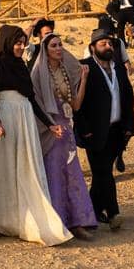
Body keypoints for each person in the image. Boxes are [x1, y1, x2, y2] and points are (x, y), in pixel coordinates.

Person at [0, 24, 72, 246]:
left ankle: (24, 219)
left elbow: (31, 99)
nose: (21, 47)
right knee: (4, 167)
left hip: (24, 116)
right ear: (7, 43)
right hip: (6, 117)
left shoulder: (21, 65)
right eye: (17, 43)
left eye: (23, 43)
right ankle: (0, 218)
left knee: (26, 167)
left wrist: (49, 124)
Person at [28, 33, 97, 239]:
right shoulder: (38, 73)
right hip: (51, 130)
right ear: (45, 49)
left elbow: (75, 104)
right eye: (54, 46)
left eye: (60, 45)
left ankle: (78, 221)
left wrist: (83, 80)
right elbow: (36, 104)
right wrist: (50, 125)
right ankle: (57, 223)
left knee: (73, 174)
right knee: (54, 175)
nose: (59, 49)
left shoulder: (66, 71)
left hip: (67, 129)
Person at [74, 27, 134, 230]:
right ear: (93, 48)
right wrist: (84, 130)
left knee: (103, 174)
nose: (108, 46)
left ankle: (89, 212)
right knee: (103, 173)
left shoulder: (118, 67)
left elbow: (128, 96)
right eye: (103, 44)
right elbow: (78, 105)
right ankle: (113, 213)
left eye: (110, 43)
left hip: (116, 130)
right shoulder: (84, 67)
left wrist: (129, 125)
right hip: (94, 131)